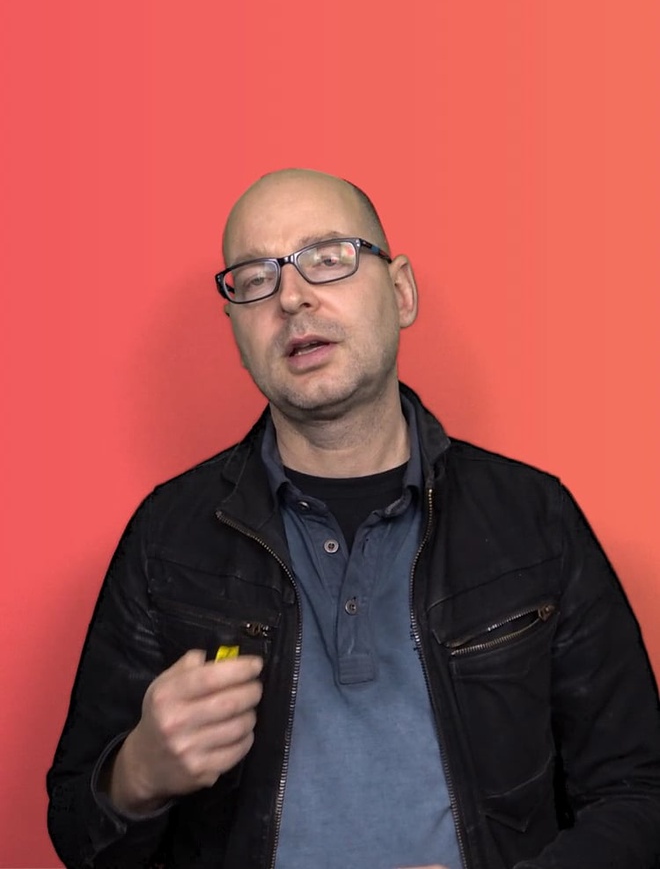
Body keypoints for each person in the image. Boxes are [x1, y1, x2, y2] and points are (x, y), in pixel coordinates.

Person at [47, 169, 660, 869]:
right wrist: (136, 776)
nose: (291, 297)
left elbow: (639, 793)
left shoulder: (534, 519)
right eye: (255, 278)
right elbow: (74, 828)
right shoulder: (168, 536)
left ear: (400, 292)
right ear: (236, 330)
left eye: (328, 257)